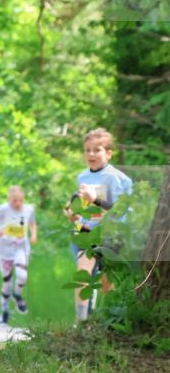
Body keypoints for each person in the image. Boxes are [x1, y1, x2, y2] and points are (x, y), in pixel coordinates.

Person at [63, 128, 133, 321]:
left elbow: (120, 210)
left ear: (109, 153)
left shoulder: (117, 178)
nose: (91, 154)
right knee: (82, 273)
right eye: (87, 150)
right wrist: (73, 213)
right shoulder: (82, 176)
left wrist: (96, 200)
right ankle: (81, 322)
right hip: (86, 231)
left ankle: (107, 322)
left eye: (97, 150)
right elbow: (81, 203)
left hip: (111, 233)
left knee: (106, 282)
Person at [0, 185, 37, 325]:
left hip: (21, 248)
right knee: (6, 282)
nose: (17, 203)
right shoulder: (3, 209)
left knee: (22, 275)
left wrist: (34, 235)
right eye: (14, 201)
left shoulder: (29, 209)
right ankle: (4, 313)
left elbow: (32, 224)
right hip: (5, 250)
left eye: (20, 200)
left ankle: (17, 294)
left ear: (23, 199)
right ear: (9, 199)